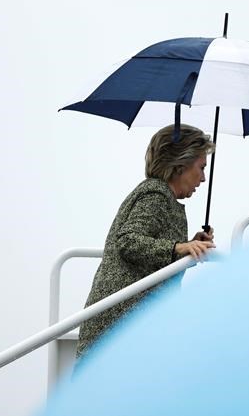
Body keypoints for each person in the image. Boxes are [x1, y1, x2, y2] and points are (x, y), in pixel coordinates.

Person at [76, 123, 216, 359]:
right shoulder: (156, 194)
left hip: (130, 322)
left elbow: (151, 245)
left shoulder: (162, 196)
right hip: (120, 323)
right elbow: (128, 241)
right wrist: (178, 247)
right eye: (201, 167)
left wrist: (189, 244)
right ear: (180, 165)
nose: (203, 178)